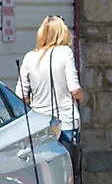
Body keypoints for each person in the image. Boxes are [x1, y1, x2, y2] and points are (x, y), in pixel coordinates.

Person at [17, 16, 83, 151]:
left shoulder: (29, 57)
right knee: (69, 168)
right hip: (65, 123)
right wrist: (81, 97)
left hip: (40, 125)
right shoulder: (65, 52)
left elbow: (20, 94)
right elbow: (75, 89)